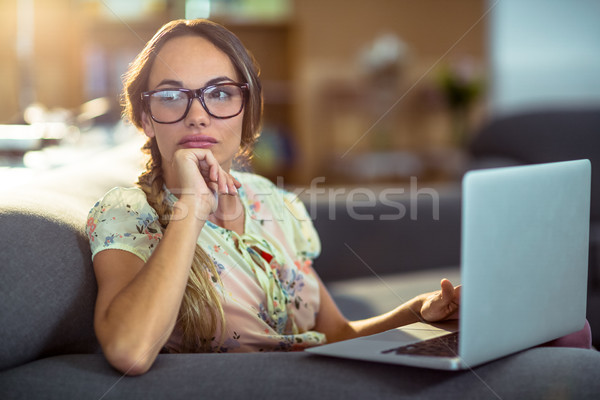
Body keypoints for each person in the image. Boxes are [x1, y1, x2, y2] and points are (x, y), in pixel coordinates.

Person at [86, 19, 460, 376]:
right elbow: (129, 351)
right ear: (146, 118)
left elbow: (338, 335)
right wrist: (192, 209)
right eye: (171, 95)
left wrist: (418, 313)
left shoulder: (272, 201)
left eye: (219, 93)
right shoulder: (126, 212)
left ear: (247, 110)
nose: (197, 116)